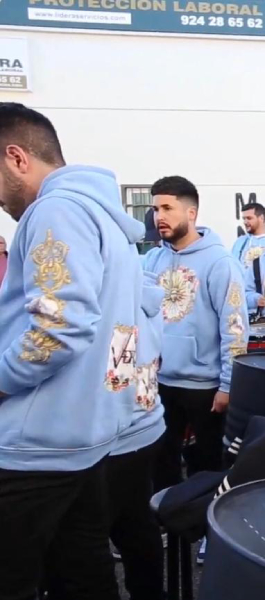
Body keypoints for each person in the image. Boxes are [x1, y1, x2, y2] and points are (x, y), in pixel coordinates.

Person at [0, 102, 146, 600]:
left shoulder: (56, 211)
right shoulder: (106, 220)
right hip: (85, 436)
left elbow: (58, 327)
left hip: (35, 445)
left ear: (16, 158)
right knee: (81, 574)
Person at [144, 176, 250, 492]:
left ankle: (205, 533)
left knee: (206, 467)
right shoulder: (152, 259)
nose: (158, 216)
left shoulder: (220, 262)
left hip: (205, 387)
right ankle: (167, 526)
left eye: (167, 208)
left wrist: (229, 385)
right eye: (155, 209)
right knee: (162, 462)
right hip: (160, 382)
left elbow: (234, 327)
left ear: (191, 213)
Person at [102, 271, 166, 600]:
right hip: (144, 426)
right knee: (137, 524)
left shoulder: (118, 298)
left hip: (119, 436)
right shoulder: (140, 286)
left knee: (93, 538)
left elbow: (117, 379)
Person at [229, 201, 265, 268]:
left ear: (261, 218)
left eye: (249, 218)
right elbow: (233, 268)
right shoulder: (240, 242)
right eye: (244, 218)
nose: (245, 222)